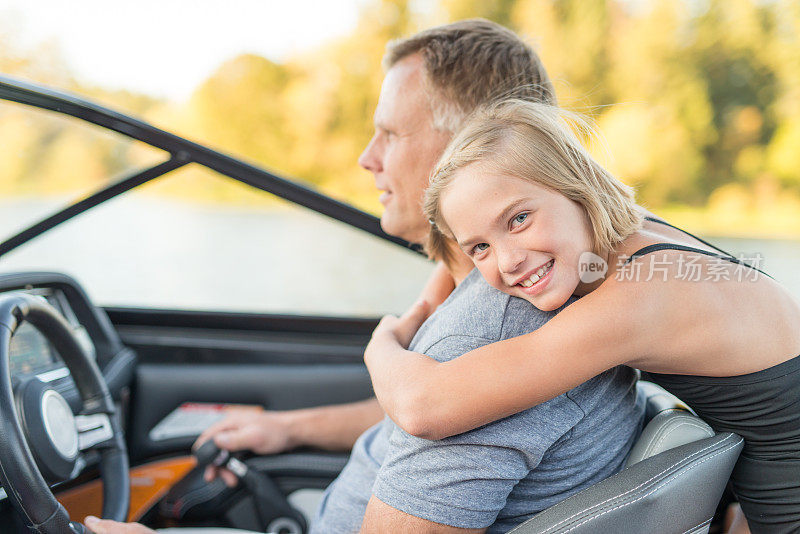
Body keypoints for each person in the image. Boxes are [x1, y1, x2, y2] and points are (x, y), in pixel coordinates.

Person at [86, 19, 645, 534]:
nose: (366, 158)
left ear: (471, 148)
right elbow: (428, 419)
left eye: (390, 135)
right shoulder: (495, 314)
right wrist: (290, 429)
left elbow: (451, 414)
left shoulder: (490, 332)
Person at [362, 98, 800, 534]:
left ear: (573, 187)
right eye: (480, 246)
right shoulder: (627, 232)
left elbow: (425, 408)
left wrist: (382, 345)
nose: (509, 260)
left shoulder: (639, 297)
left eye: (518, 219)